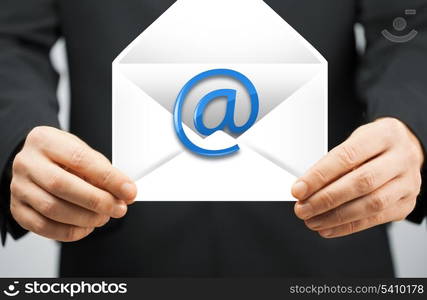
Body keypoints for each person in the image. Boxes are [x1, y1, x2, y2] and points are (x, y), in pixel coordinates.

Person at [0, 0, 426, 277]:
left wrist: (409, 125)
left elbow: (407, 25)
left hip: (328, 235)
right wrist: (19, 138)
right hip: (121, 246)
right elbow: (10, 35)